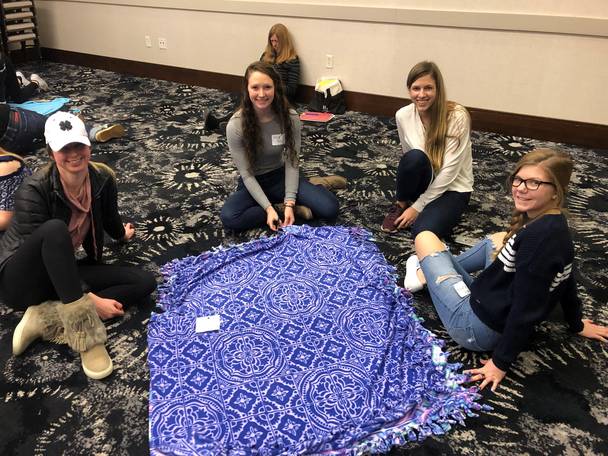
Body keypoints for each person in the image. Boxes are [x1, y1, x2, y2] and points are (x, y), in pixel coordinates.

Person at [403, 148, 608, 391]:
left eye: (534, 183)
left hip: (474, 328)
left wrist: (499, 363)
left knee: (425, 237)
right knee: (499, 239)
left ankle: (421, 275)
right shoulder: (555, 224)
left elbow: (525, 309)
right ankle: (433, 270)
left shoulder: (538, 242)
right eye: (518, 179)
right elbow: (566, 277)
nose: (520, 188)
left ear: (557, 191)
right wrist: (576, 323)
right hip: (491, 301)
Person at [0, 112, 156, 379]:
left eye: (78, 145)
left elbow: (110, 217)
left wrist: (121, 235)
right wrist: (89, 299)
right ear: (51, 153)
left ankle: (44, 318)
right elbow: (40, 253)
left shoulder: (102, 178)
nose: (73, 154)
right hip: (20, 280)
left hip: (63, 273)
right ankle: (86, 334)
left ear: (89, 146)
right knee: (54, 230)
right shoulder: (33, 190)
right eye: (64, 148)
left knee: (143, 282)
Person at [220, 61, 341, 232]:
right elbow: (246, 175)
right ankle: (279, 208)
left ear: (276, 87)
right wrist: (269, 209)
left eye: (267, 87)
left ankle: (316, 184)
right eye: (255, 87)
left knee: (330, 208)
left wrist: (290, 201)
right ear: (247, 89)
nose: (261, 94)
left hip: (280, 176)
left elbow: (292, 162)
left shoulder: (290, 117)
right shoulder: (235, 125)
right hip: (253, 180)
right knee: (230, 218)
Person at [381, 61, 473, 239]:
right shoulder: (403, 115)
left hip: (454, 187)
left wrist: (418, 207)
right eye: (416, 88)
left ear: (438, 90)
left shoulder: (457, 116)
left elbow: (450, 171)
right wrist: (411, 200)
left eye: (428, 88)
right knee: (414, 157)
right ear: (409, 90)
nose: (421, 95)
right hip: (426, 179)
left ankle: (424, 208)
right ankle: (401, 204)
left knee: (422, 232)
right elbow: (409, 159)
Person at [204, 23, 301, 132]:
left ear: (284, 41)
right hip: (263, 89)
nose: (274, 44)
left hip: (280, 96)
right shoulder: (266, 56)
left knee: (258, 101)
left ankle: (226, 125)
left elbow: (292, 90)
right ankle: (230, 123)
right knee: (246, 97)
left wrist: (272, 86)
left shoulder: (292, 60)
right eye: (272, 41)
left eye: (277, 41)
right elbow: (256, 73)